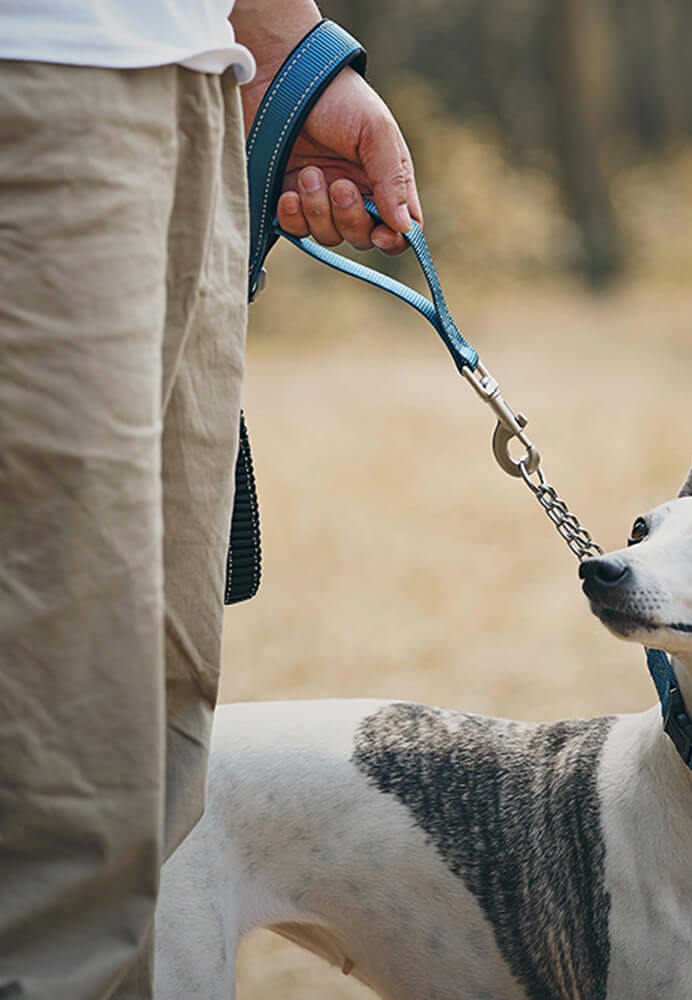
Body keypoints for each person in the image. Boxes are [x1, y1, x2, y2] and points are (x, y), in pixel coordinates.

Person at [0, 1, 420, 996]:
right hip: (41, 75)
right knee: (62, 754)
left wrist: (278, 44)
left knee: (149, 735)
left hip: (188, 84)